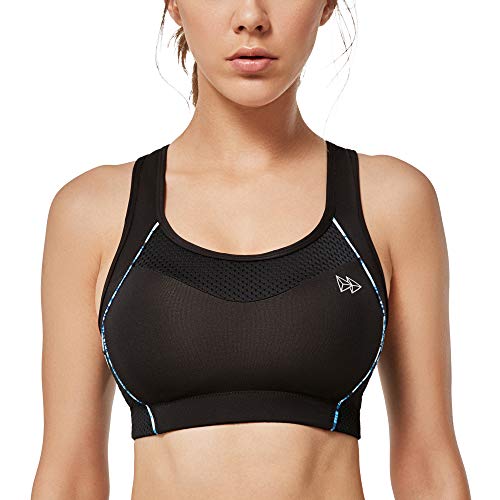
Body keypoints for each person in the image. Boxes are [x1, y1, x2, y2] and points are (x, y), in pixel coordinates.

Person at [32, 1, 471, 499]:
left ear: (326, 5)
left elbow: (428, 461)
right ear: (174, 4)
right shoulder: (92, 213)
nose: (251, 17)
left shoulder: (391, 202)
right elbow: (70, 473)